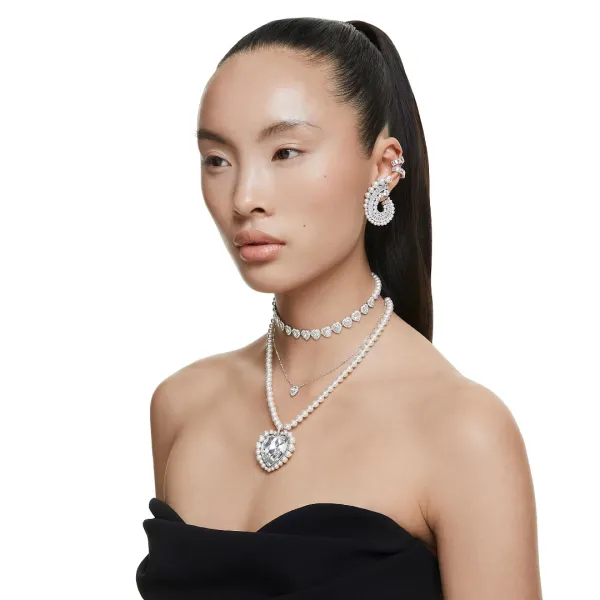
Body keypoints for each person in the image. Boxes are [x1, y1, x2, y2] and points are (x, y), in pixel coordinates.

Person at [136, 16, 543, 599]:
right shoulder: (182, 405)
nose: (244, 197)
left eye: (285, 152)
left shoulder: (462, 431)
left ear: (383, 168)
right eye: (217, 159)